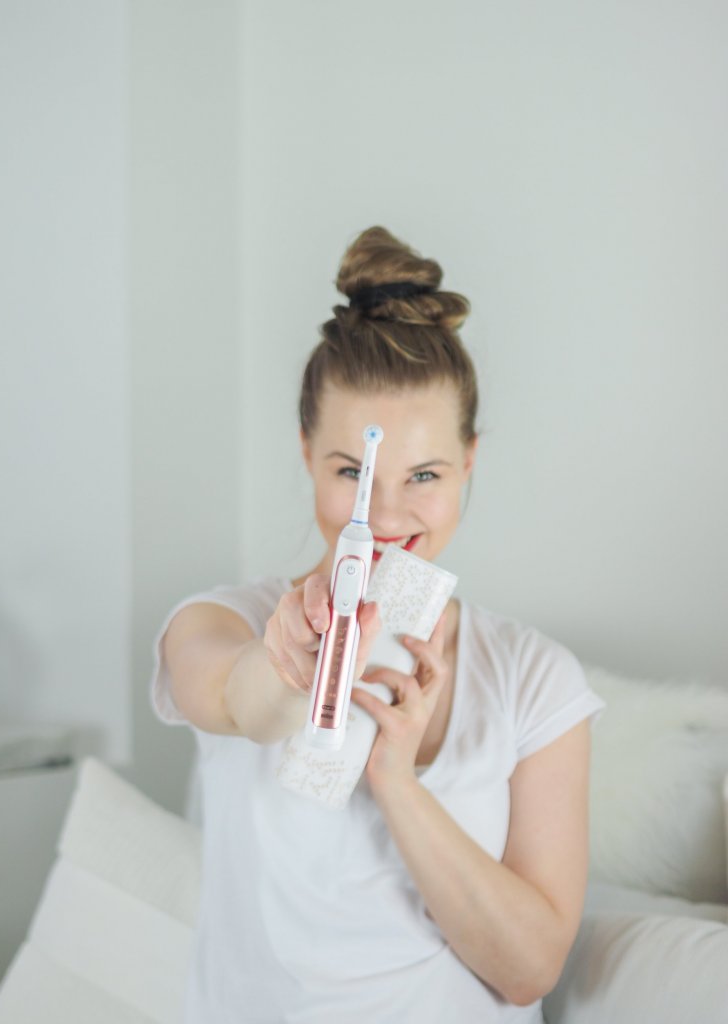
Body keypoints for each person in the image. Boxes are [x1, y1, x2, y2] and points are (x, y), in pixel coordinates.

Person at [150, 225, 605, 1024]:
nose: (387, 517)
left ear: (469, 462)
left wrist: (395, 780)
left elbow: (529, 969)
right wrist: (288, 662)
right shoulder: (220, 621)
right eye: (353, 473)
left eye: (423, 474)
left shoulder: (536, 679)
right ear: (306, 453)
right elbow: (233, 700)